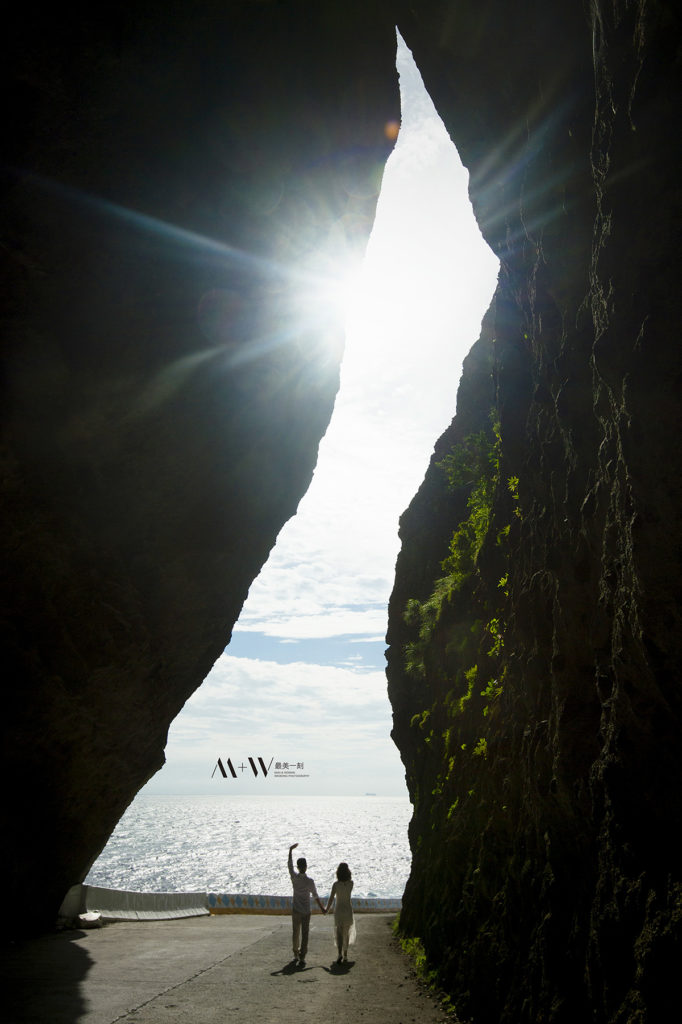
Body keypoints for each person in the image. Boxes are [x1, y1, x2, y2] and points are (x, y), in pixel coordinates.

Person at [287, 842, 325, 966]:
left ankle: (295, 954)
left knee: (295, 932)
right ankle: (302, 956)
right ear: (306, 867)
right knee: (305, 934)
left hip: (296, 910)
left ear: (298, 867)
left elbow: (289, 866)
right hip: (306, 911)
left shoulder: (294, 877)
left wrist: (290, 851)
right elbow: (315, 896)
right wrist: (323, 909)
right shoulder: (309, 881)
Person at [324, 861, 356, 963]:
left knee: (339, 933)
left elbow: (331, 899)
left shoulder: (335, 885)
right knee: (346, 933)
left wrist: (326, 910)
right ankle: (345, 955)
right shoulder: (351, 884)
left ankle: (339, 954)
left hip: (338, 911)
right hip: (347, 910)